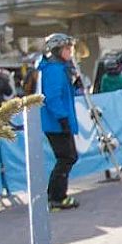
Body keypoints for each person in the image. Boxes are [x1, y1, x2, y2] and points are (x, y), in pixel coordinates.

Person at [34, 34, 84, 210]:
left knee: (67, 157)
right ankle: (56, 197)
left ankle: (54, 195)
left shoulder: (60, 68)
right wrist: (62, 118)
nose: (70, 52)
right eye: (67, 49)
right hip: (55, 122)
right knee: (67, 157)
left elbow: (63, 93)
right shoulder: (53, 70)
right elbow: (53, 97)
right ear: (57, 51)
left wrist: (75, 84)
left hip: (58, 120)